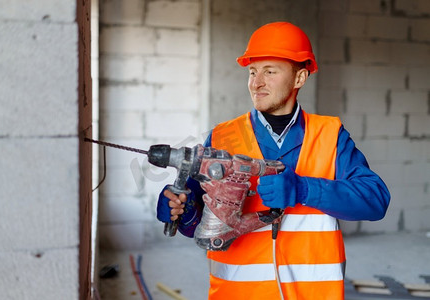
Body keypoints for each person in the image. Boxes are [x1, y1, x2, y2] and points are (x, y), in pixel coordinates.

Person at [156, 22, 390, 300]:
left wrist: (304, 189)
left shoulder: (329, 135)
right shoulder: (220, 138)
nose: (256, 83)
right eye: (253, 72)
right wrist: (182, 212)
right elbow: (200, 228)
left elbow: (375, 201)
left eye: (270, 71)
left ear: (299, 78)